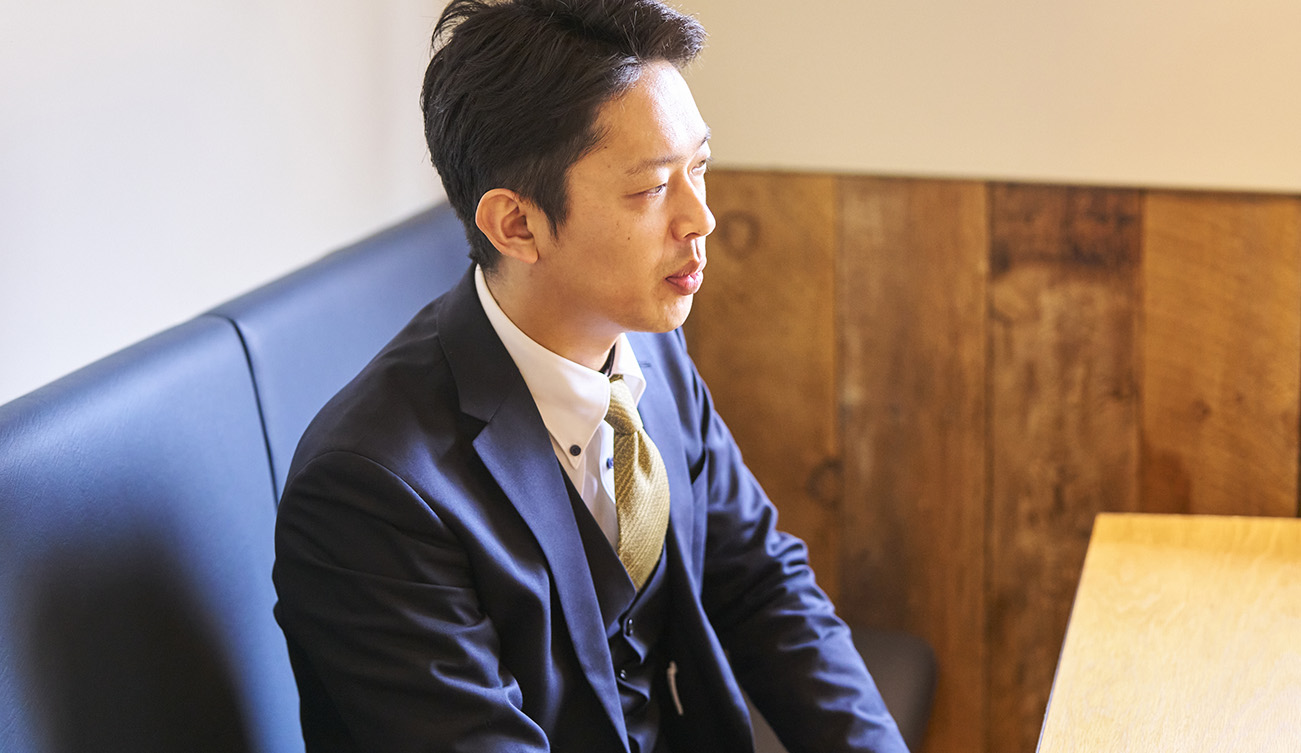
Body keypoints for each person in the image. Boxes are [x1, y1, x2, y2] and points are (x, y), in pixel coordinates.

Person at [271, 1, 908, 751]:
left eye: (699, 168)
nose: (701, 218)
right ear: (517, 225)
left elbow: (762, 584)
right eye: (651, 189)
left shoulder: (648, 349)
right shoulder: (370, 490)